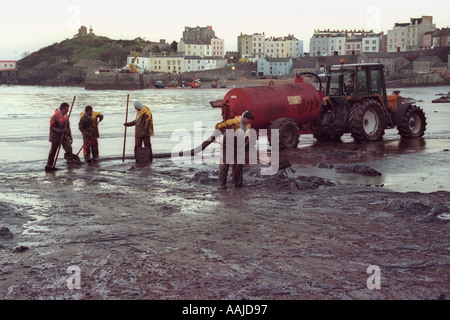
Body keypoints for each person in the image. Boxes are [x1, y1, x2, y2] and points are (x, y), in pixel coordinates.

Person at [215, 111, 254, 189]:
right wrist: (222, 132)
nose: (249, 123)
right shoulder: (234, 122)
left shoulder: (247, 125)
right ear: (245, 118)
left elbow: (246, 136)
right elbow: (218, 126)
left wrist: (245, 145)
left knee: (238, 164)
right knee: (225, 164)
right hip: (228, 144)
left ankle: (238, 183)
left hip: (238, 146)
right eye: (249, 121)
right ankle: (221, 185)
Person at [46, 102, 73, 170]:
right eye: (67, 109)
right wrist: (61, 131)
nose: (68, 111)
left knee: (69, 149)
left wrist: (70, 136)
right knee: (53, 151)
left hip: (64, 136)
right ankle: (49, 165)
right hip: (55, 137)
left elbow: (68, 127)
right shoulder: (54, 117)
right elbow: (52, 127)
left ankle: (70, 164)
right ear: (62, 109)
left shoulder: (66, 116)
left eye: (68, 109)